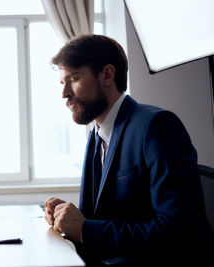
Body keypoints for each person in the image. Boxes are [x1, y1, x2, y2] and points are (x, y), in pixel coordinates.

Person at [44, 34, 214, 266]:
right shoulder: (97, 135)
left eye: (73, 79)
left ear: (107, 75)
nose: (64, 94)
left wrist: (85, 229)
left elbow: (178, 231)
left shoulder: (157, 126)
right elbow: (107, 216)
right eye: (62, 83)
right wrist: (67, 218)